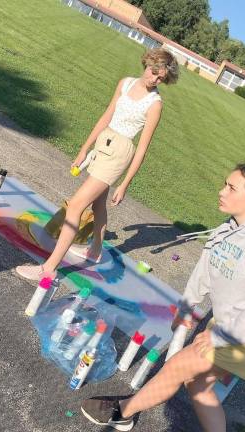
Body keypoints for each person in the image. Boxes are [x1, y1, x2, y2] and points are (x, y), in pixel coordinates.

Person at [80, 164, 245, 431]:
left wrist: (220, 337)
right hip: (231, 324)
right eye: (225, 184)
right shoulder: (230, 228)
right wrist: (187, 305)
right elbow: (207, 268)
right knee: (197, 385)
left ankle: (123, 413)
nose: (222, 191)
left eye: (231, 188)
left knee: (177, 366)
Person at [16, 48, 179, 280]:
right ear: (147, 64)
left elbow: (142, 148)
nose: (155, 79)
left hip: (120, 153)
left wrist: (125, 184)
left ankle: (49, 268)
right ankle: (95, 251)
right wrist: (84, 148)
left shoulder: (155, 104)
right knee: (98, 205)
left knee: (75, 206)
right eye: (153, 72)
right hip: (104, 142)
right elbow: (106, 116)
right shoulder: (125, 83)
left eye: (161, 78)